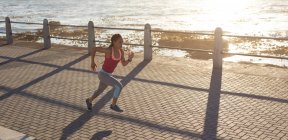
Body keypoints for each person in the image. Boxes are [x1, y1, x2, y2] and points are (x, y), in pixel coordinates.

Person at [86, 34, 134, 112]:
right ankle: (113, 105)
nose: (121, 44)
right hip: (103, 74)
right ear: (114, 42)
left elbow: (124, 64)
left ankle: (89, 100)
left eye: (122, 42)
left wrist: (129, 59)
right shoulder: (109, 50)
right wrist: (92, 62)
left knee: (99, 91)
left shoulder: (121, 51)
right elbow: (94, 49)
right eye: (119, 42)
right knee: (119, 86)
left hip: (108, 75)